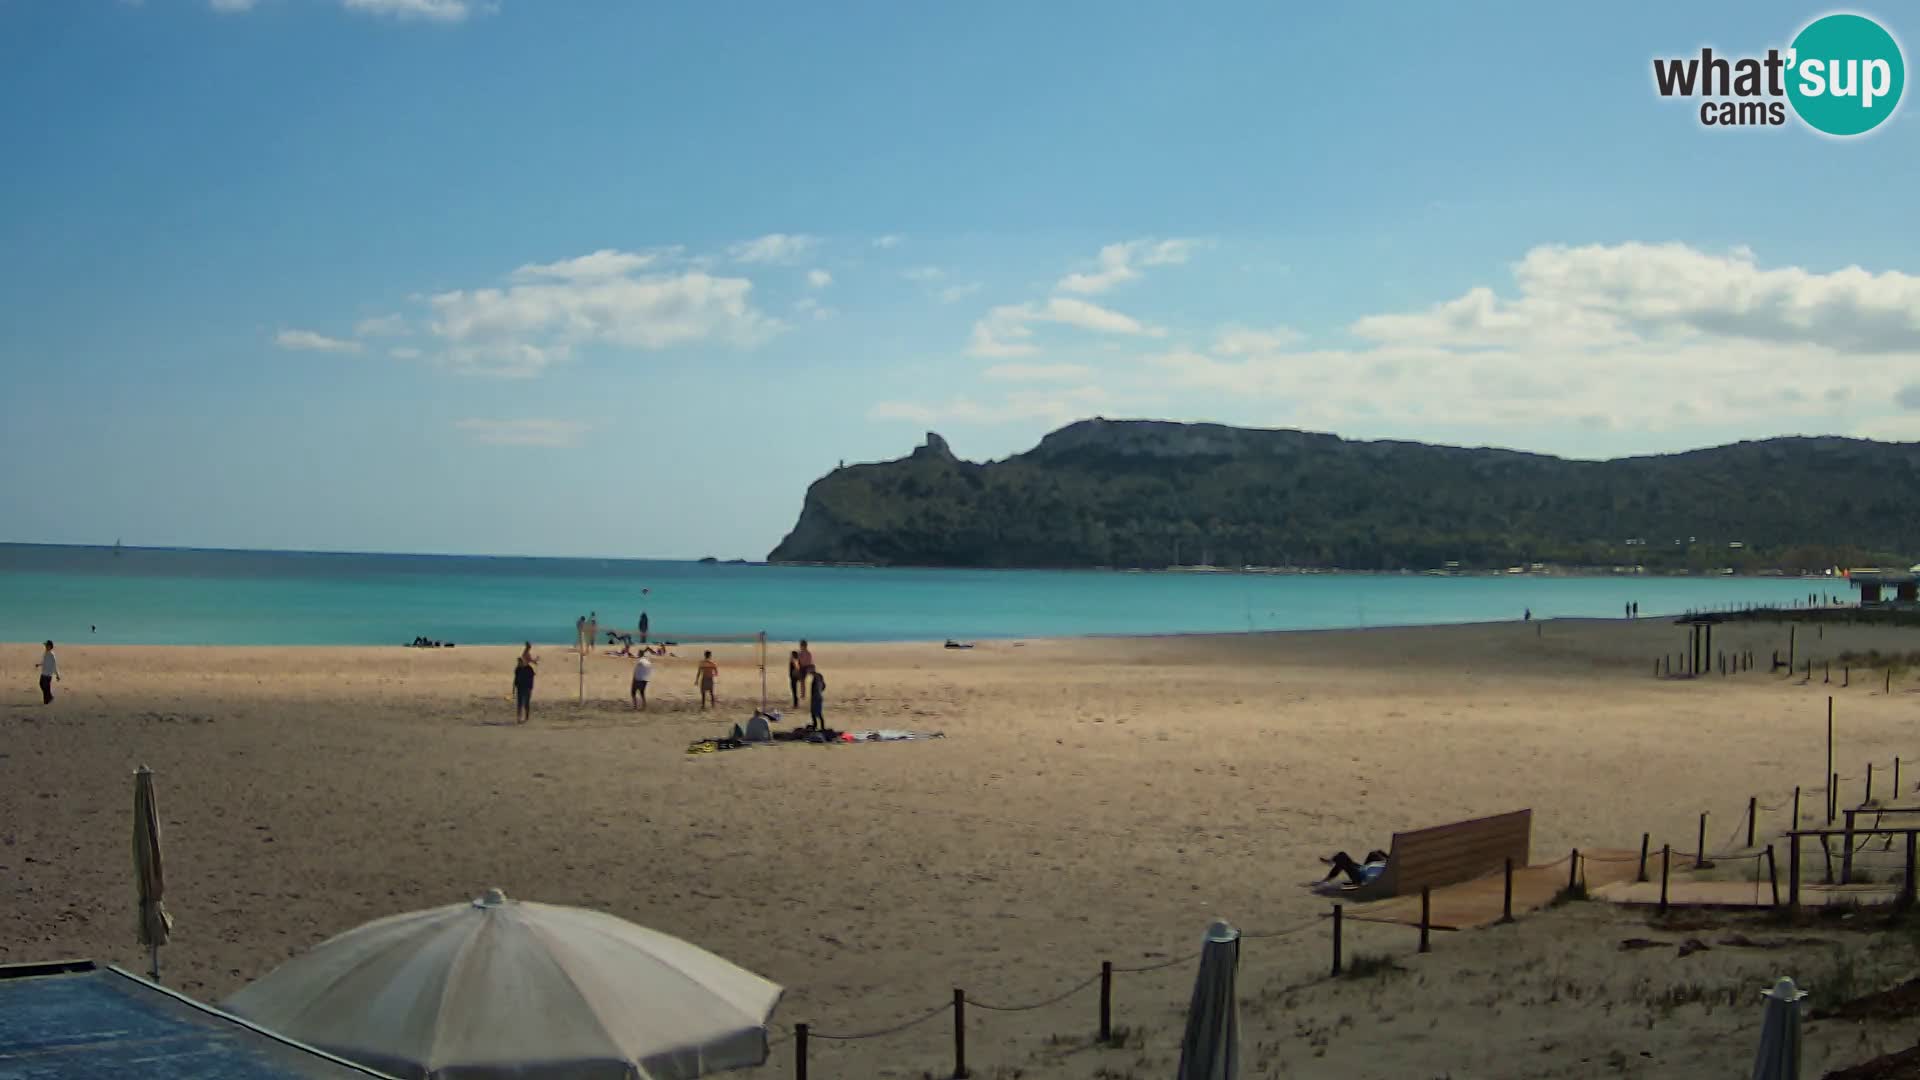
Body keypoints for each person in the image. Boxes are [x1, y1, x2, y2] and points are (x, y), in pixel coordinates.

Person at [1321, 849, 1390, 888]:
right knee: (1373, 854)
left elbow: (1370, 879)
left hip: (1360, 877)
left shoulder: (1384, 869)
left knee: (1342, 857)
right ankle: (1326, 879)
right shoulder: (1388, 868)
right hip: (1364, 870)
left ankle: (1326, 879)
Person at [512, 649, 536, 725]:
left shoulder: (529, 669)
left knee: (526, 703)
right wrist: (513, 688)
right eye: (518, 662)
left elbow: (532, 678)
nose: (519, 663)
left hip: (527, 688)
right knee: (519, 703)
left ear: (523, 662)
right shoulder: (517, 669)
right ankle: (519, 718)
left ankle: (526, 717)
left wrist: (531, 688)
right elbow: (515, 679)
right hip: (520, 688)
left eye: (520, 662)